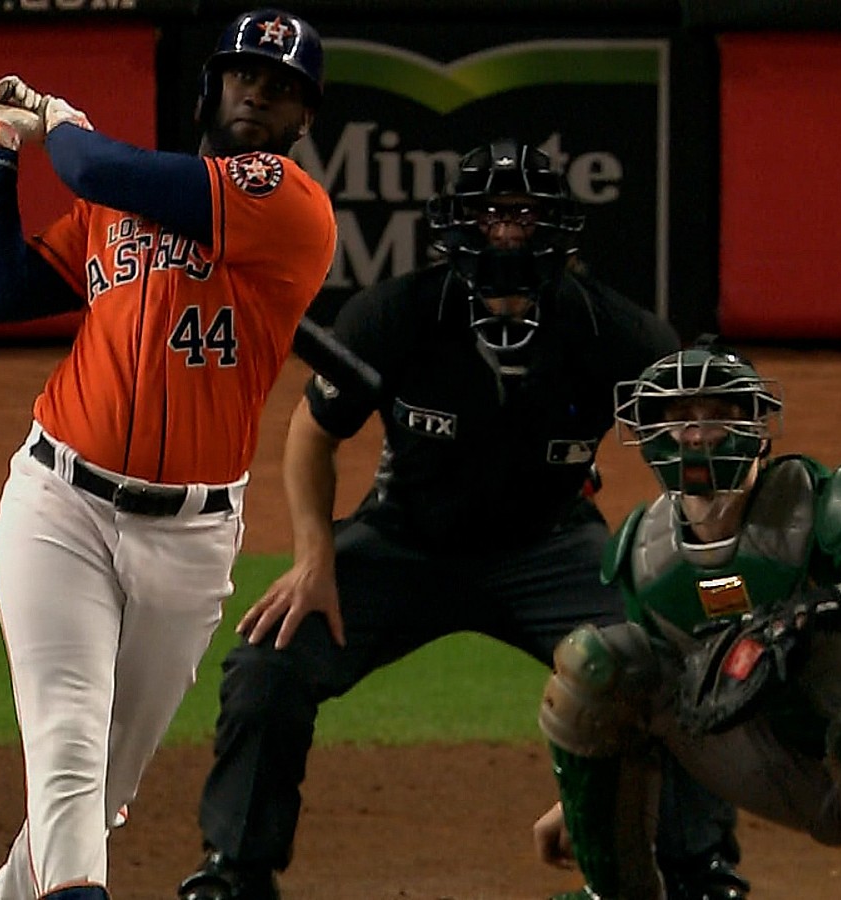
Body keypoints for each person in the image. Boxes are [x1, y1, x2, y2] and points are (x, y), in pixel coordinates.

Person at [177, 139, 749, 900]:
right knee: (270, 659)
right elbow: (313, 432)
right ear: (457, 225)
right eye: (490, 214)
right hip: (404, 541)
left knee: (682, 660)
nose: (507, 231)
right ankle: (236, 872)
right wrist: (314, 563)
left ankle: (699, 870)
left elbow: (687, 456)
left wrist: (695, 568)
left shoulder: (619, 333)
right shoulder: (393, 314)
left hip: (552, 546)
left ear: (559, 227)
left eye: (524, 215)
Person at [0, 9, 337, 900]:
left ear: (304, 121)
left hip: (192, 539)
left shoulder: (287, 205)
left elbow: (93, 164)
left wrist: (59, 123)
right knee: (67, 761)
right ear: (213, 87)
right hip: (60, 505)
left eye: (281, 88)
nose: (258, 95)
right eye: (245, 76)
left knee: (97, 799)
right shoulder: (118, 205)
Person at [533, 339, 841, 899]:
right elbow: (656, 701)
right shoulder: (646, 554)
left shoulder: (823, 507)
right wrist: (582, 802)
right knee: (596, 667)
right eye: (680, 417)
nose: (699, 434)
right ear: (651, 433)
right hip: (782, 765)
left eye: (720, 415)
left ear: (756, 424)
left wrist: (828, 605)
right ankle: (618, 894)